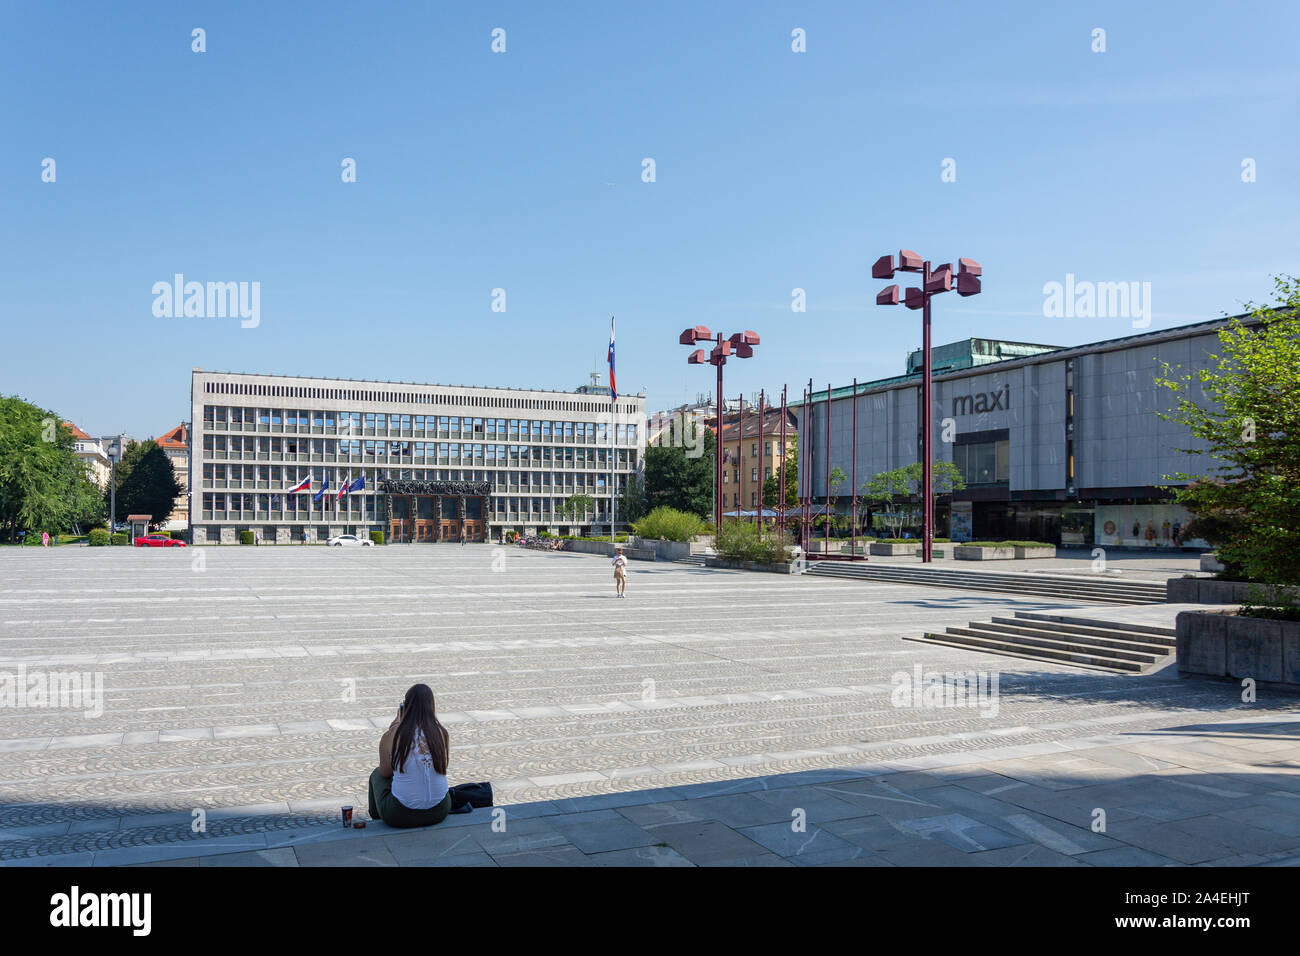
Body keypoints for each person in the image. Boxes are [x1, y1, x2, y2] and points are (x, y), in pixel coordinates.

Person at [368, 683, 452, 828]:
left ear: (405, 707)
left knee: (377, 775)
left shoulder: (394, 735)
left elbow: (385, 771)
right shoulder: (441, 732)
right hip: (440, 810)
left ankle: (377, 819)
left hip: (399, 815)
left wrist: (394, 727)